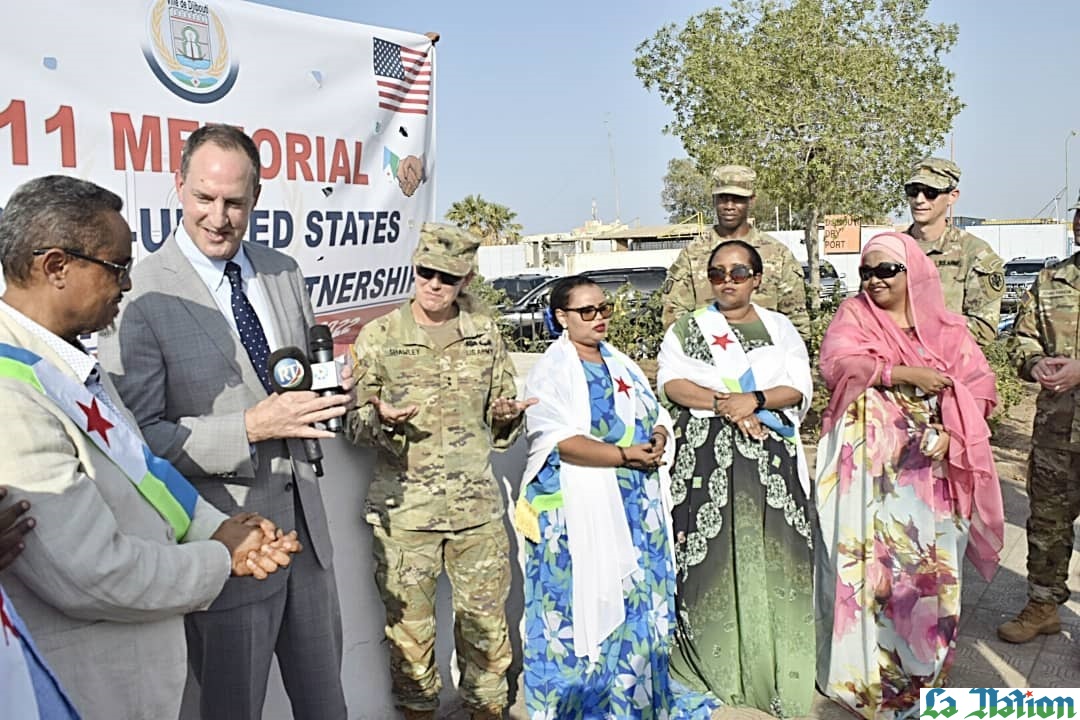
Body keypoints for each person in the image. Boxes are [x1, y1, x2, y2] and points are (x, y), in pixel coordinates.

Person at [0, 174, 298, 719]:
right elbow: (90, 573)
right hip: (86, 690)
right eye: (116, 268)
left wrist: (216, 525)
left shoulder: (63, 359)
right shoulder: (8, 394)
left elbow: (140, 469)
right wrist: (220, 556)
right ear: (56, 267)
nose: (128, 285)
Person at [98, 124, 349, 720]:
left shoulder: (282, 270)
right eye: (205, 198)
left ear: (255, 198)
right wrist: (249, 427)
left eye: (234, 202)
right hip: (227, 540)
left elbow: (298, 385)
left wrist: (331, 397)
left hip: (309, 540)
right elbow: (138, 441)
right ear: (177, 187)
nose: (219, 216)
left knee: (327, 704)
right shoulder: (140, 294)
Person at [345, 223, 531, 720]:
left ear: (464, 280)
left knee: (488, 632)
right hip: (406, 516)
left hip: (476, 514)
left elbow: (501, 414)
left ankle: (488, 712)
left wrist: (508, 416)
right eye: (425, 272)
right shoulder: (380, 337)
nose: (433, 285)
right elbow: (352, 422)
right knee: (409, 639)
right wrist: (376, 418)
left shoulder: (484, 334)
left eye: (446, 278)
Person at [815, 231, 1003, 719]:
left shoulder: (948, 329)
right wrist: (901, 374)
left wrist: (952, 433)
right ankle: (867, 681)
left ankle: (925, 677)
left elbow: (980, 389)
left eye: (885, 271)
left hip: (931, 477)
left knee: (927, 574)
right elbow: (837, 363)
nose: (873, 280)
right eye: (866, 272)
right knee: (870, 574)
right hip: (869, 480)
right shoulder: (854, 315)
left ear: (912, 274)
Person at [519, 276, 717, 719]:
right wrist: (623, 455)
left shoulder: (621, 363)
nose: (599, 318)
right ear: (561, 318)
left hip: (635, 504)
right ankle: (585, 703)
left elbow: (654, 410)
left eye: (604, 309)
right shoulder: (551, 372)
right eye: (587, 312)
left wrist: (661, 435)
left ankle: (635, 696)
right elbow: (555, 440)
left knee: (637, 599)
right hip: (579, 509)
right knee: (576, 608)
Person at [657, 239, 815, 717]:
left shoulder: (781, 327)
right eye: (718, 273)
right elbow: (671, 383)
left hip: (769, 462)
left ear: (758, 279)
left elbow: (798, 385)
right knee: (711, 559)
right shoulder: (688, 329)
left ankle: (775, 662)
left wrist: (758, 401)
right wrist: (729, 404)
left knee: (775, 553)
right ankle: (716, 663)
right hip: (707, 463)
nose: (728, 281)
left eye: (739, 272)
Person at [996, 212, 1080, 643]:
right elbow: (1020, 339)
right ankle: (1043, 606)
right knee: (1047, 524)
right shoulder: (1050, 282)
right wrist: (1035, 363)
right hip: (1056, 433)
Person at [659, 165, 810, 340]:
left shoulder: (777, 254)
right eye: (723, 198)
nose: (729, 206)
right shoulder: (693, 254)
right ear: (714, 200)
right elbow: (674, 316)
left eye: (737, 199)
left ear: (751, 200)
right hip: (711, 356)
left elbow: (796, 321)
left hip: (766, 357)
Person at [903, 157, 1004, 348]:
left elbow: (983, 329)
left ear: (952, 196)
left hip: (947, 371)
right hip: (893, 372)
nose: (919, 200)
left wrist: (914, 338)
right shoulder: (890, 249)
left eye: (931, 193)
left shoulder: (974, 253)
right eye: (913, 191)